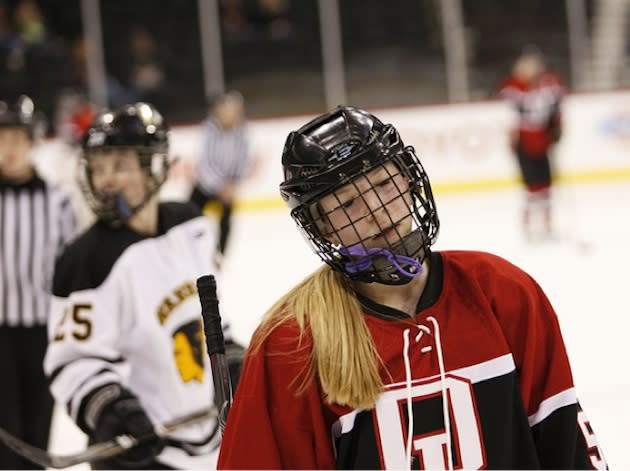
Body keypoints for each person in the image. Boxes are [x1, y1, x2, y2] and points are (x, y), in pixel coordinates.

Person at [216, 106, 607, 470]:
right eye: (348, 203)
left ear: (408, 178)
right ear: (321, 228)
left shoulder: (501, 293)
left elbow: (566, 449)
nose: (377, 211)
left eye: (385, 183)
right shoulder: (294, 342)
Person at [44, 102, 243, 470]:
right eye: (99, 167)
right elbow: (74, 362)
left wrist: (229, 357)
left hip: (211, 439)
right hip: (141, 454)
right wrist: (111, 409)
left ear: (153, 168)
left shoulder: (191, 226)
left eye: (119, 165)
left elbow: (207, 317)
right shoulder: (85, 261)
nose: (106, 179)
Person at [0, 94, 78, 469]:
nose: (8, 149)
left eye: (17, 139)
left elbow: (71, 269)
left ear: (32, 143)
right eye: (2, 139)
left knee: (37, 428)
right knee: (5, 428)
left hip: (43, 332)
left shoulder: (57, 201)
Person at [499, 47, 565, 241]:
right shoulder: (515, 86)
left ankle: (547, 225)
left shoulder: (548, 82)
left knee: (546, 186)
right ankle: (527, 227)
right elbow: (511, 97)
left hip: (543, 142)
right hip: (525, 144)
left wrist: (556, 125)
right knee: (531, 189)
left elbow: (558, 97)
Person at [189, 90, 252, 269]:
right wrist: (220, 186)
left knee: (226, 221)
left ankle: (220, 256)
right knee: (190, 216)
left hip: (228, 186)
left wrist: (233, 185)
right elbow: (205, 161)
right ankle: (189, 251)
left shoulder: (242, 131)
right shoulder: (210, 128)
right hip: (206, 184)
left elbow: (244, 160)